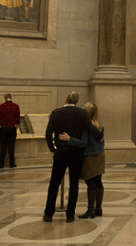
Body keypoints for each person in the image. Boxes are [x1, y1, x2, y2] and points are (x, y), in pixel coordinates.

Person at [43, 91, 103, 223]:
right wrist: (99, 136)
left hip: (61, 152)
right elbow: (91, 129)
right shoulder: (82, 113)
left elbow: (48, 134)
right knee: (74, 183)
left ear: (66, 99)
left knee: (54, 183)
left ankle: (48, 213)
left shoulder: (56, 113)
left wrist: (52, 148)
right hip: (77, 153)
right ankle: (70, 214)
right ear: (76, 101)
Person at [78, 102, 105, 219]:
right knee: (98, 181)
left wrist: (69, 140)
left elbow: (83, 143)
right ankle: (98, 208)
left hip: (90, 156)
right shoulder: (99, 124)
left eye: (84, 107)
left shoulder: (86, 126)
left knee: (90, 183)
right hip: (100, 155)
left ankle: (90, 209)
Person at [0, 93, 20, 169]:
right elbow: (18, 119)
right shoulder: (16, 106)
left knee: (3, 146)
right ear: (11, 98)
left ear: (5, 98)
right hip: (12, 128)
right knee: (11, 146)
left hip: (3, 128)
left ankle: (1, 163)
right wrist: (16, 127)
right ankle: (12, 163)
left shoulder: (1, 106)